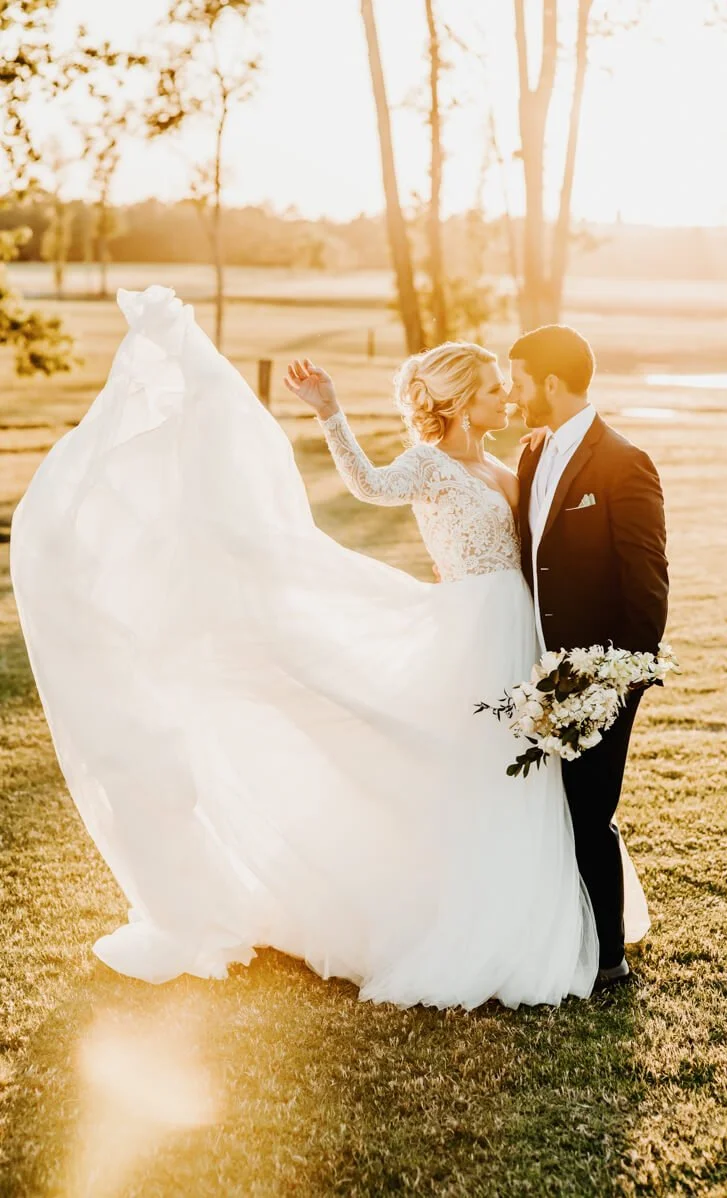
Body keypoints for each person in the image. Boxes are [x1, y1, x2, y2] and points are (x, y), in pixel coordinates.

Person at [10, 286, 646, 1006]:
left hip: (521, 629)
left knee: (528, 778)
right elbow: (369, 485)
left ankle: (553, 915)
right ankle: (462, 918)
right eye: (497, 390)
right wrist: (331, 413)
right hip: (468, 632)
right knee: (468, 772)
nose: (508, 399)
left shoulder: (516, 467)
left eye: (509, 387)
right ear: (466, 400)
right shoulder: (427, 464)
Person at [509, 325, 669, 981]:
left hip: (601, 673)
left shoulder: (624, 463)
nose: (513, 394)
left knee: (588, 811)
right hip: (538, 668)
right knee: (551, 807)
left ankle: (607, 960)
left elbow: (648, 581)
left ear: (550, 383)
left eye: (518, 382)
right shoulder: (531, 453)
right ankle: (560, 937)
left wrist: (621, 677)